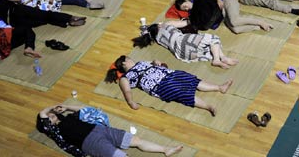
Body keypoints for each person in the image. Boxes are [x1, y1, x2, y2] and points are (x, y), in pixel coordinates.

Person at [105, 55, 234, 116]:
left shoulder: (141, 62)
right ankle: (208, 106)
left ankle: (219, 87)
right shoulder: (125, 77)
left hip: (169, 73)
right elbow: (127, 91)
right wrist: (131, 102)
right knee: (182, 93)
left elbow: (157, 63)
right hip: (159, 85)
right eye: (128, 58)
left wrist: (156, 62)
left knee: (191, 79)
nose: (131, 58)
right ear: (125, 63)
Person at [37, 104, 183, 157]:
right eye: (49, 117)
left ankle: (165, 149)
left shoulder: (67, 118)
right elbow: (43, 113)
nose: (51, 115)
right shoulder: (53, 131)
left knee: (136, 141)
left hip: (100, 130)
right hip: (90, 142)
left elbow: (85, 109)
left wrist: (65, 106)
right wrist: (50, 108)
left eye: (52, 114)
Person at [0, 0, 86, 58]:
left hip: (12, 22)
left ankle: (29, 48)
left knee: (37, 24)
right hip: (17, 10)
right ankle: (70, 19)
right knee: (45, 15)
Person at [132, 20, 239, 69]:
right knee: (213, 38)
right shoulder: (166, 24)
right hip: (182, 40)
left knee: (207, 48)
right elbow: (185, 23)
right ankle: (220, 58)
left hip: (179, 52)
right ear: (158, 26)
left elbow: (146, 33)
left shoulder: (157, 39)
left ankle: (219, 58)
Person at [175, 0, 274, 34]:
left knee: (234, 22)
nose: (187, 8)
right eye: (184, 9)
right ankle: (257, 27)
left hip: (226, 2)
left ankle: (261, 22)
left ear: (187, 0)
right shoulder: (193, 14)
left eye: (185, 6)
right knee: (236, 30)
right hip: (223, 16)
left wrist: (218, 0)